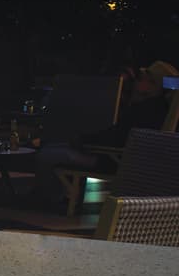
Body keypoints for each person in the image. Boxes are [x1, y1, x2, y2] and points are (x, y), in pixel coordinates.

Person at [33, 60, 177, 208]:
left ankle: (50, 200)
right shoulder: (158, 109)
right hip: (120, 159)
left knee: (47, 155)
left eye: (141, 78)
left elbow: (116, 138)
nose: (135, 81)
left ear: (153, 84)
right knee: (56, 149)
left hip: (114, 160)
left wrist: (84, 140)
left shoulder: (144, 110)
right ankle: (59, 197)